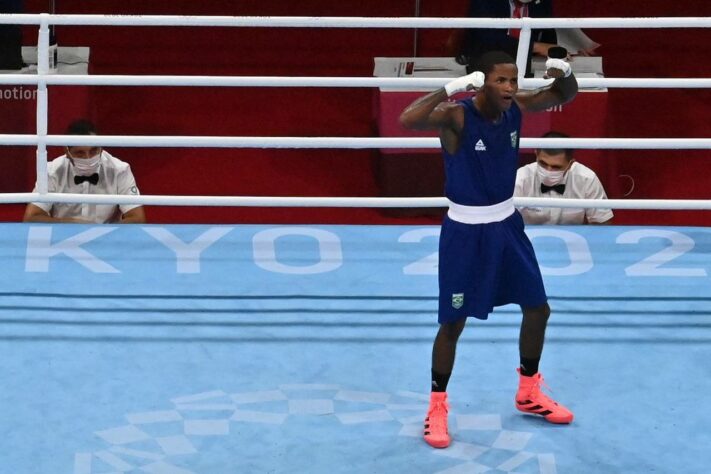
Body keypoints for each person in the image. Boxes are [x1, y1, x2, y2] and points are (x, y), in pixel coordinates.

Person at [399, 50, 578, 449]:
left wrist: (564, 71)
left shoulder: (516, 108)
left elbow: (564, 93)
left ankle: (529, 390)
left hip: (507, 227)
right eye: (501, 81)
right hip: (465, 232)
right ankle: (436, 407)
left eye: (513, 81)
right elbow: (407, 119)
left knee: (538, 308)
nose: (510, 88)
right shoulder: (457, 116)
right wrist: (449, 88)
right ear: (481, 82)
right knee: (453, 323)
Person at [23, 119, 146, 224]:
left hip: (107, 240)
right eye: (80, 153)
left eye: (93, 150)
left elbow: (137, 218)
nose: (88, 158)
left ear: (101, 147)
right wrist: (73, 224)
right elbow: (31, 217)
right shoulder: (52, 171)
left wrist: (101, 232)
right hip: (62, 236)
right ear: (67, 152)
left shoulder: (120, 170)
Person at [515, 131, 613, 224]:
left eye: (556, 167)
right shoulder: (520, 178)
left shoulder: (587, 179)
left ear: (570, 164)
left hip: (574, 240)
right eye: (543, 164)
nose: (548, 171)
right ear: (536, 154)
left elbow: (602, 222)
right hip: (527, 239)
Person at [449, 0, 558, 77]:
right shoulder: (486, 2)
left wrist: (555, 53)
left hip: (525, 67)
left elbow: (548, 35)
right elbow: (485, 38)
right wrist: (535, 46)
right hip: (486, 65)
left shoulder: (542, 2)